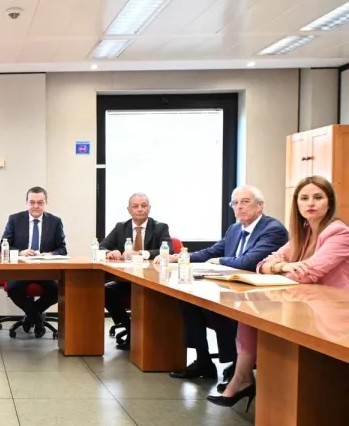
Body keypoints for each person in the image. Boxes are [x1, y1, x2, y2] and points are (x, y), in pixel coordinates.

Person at [208, 176, 349, 411]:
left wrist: (278, 267)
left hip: (334, 310)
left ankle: (256, 385)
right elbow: (262, 264)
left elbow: (308, 273)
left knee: (262, 315)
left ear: (329, 202)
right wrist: (282, 265)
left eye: (318, 197)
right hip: (305, 302)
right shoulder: (304, 232)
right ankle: (243, 377)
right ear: (297, 204)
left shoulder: (339, 233)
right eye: (304, 198)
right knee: (250, 314)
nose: (310, 203)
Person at [168, 185, 287, 385]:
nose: (239, 207)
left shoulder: (273, 230)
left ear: (260, 205)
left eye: (245, 202)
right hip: (232, 287)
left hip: (258, 295)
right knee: (189, 301)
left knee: (223, 309)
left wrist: (220, 261)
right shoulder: (234, 229)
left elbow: (248, 262)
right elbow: (212, 251)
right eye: (235, 203)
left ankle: (237, 365)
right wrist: (179, 258)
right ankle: (203, 361)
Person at [101, 193, 173, 349]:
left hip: (152, 282)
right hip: (126, 280)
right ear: (129, 210)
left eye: (144, 206)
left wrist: (140, 253)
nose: (140, 209)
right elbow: (102, 246)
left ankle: (151, 337)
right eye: (135, 206)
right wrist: (110, 252)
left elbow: (168, 250)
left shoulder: (160, 227)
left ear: (149, 208)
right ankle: (129, 328)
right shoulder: (121, 227)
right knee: (105, 291)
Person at [0, 186, 66, 337]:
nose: (36, 206)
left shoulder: (55, 222)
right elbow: (3, 246)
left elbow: (62, 249)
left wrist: (50, 254)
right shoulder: (15, 219)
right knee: (13, 288)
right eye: (32, 202)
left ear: (46, 203)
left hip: (45, 272)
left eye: (40, 202)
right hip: (21, 270)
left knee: (58, 290)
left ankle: (30, 316)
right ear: (26, 203)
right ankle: (37, 317)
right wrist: (20, 252)